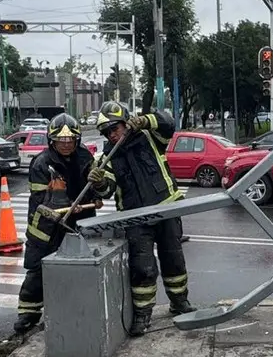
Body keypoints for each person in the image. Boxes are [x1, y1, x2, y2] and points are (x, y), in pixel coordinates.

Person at [88, 100, 192, 336]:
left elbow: (168, 124)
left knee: (173, 261)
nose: (112, 135)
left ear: (126, 122)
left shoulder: (151, 138)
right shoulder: (107, 158)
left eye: (115, 128)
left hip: (166, 209)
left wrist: (146, 120)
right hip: (135, 219)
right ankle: (143, 315)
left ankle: (180, 303)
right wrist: (100, 182)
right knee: (142, 268)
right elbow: (106, 191)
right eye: (107, 132)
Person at [15, 113, 97, 334]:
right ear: (52, 140)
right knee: (37, 271)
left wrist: (99, 187)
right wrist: (70, 204)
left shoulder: (85, 158)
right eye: (61, 140)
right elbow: (43, 200)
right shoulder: (42, 163)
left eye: (70, 140)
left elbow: (97, 190)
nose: (66, 143)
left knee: (78, 269)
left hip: (79, 225)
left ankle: (72, 310)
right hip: (46, 228)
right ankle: (28, 314)